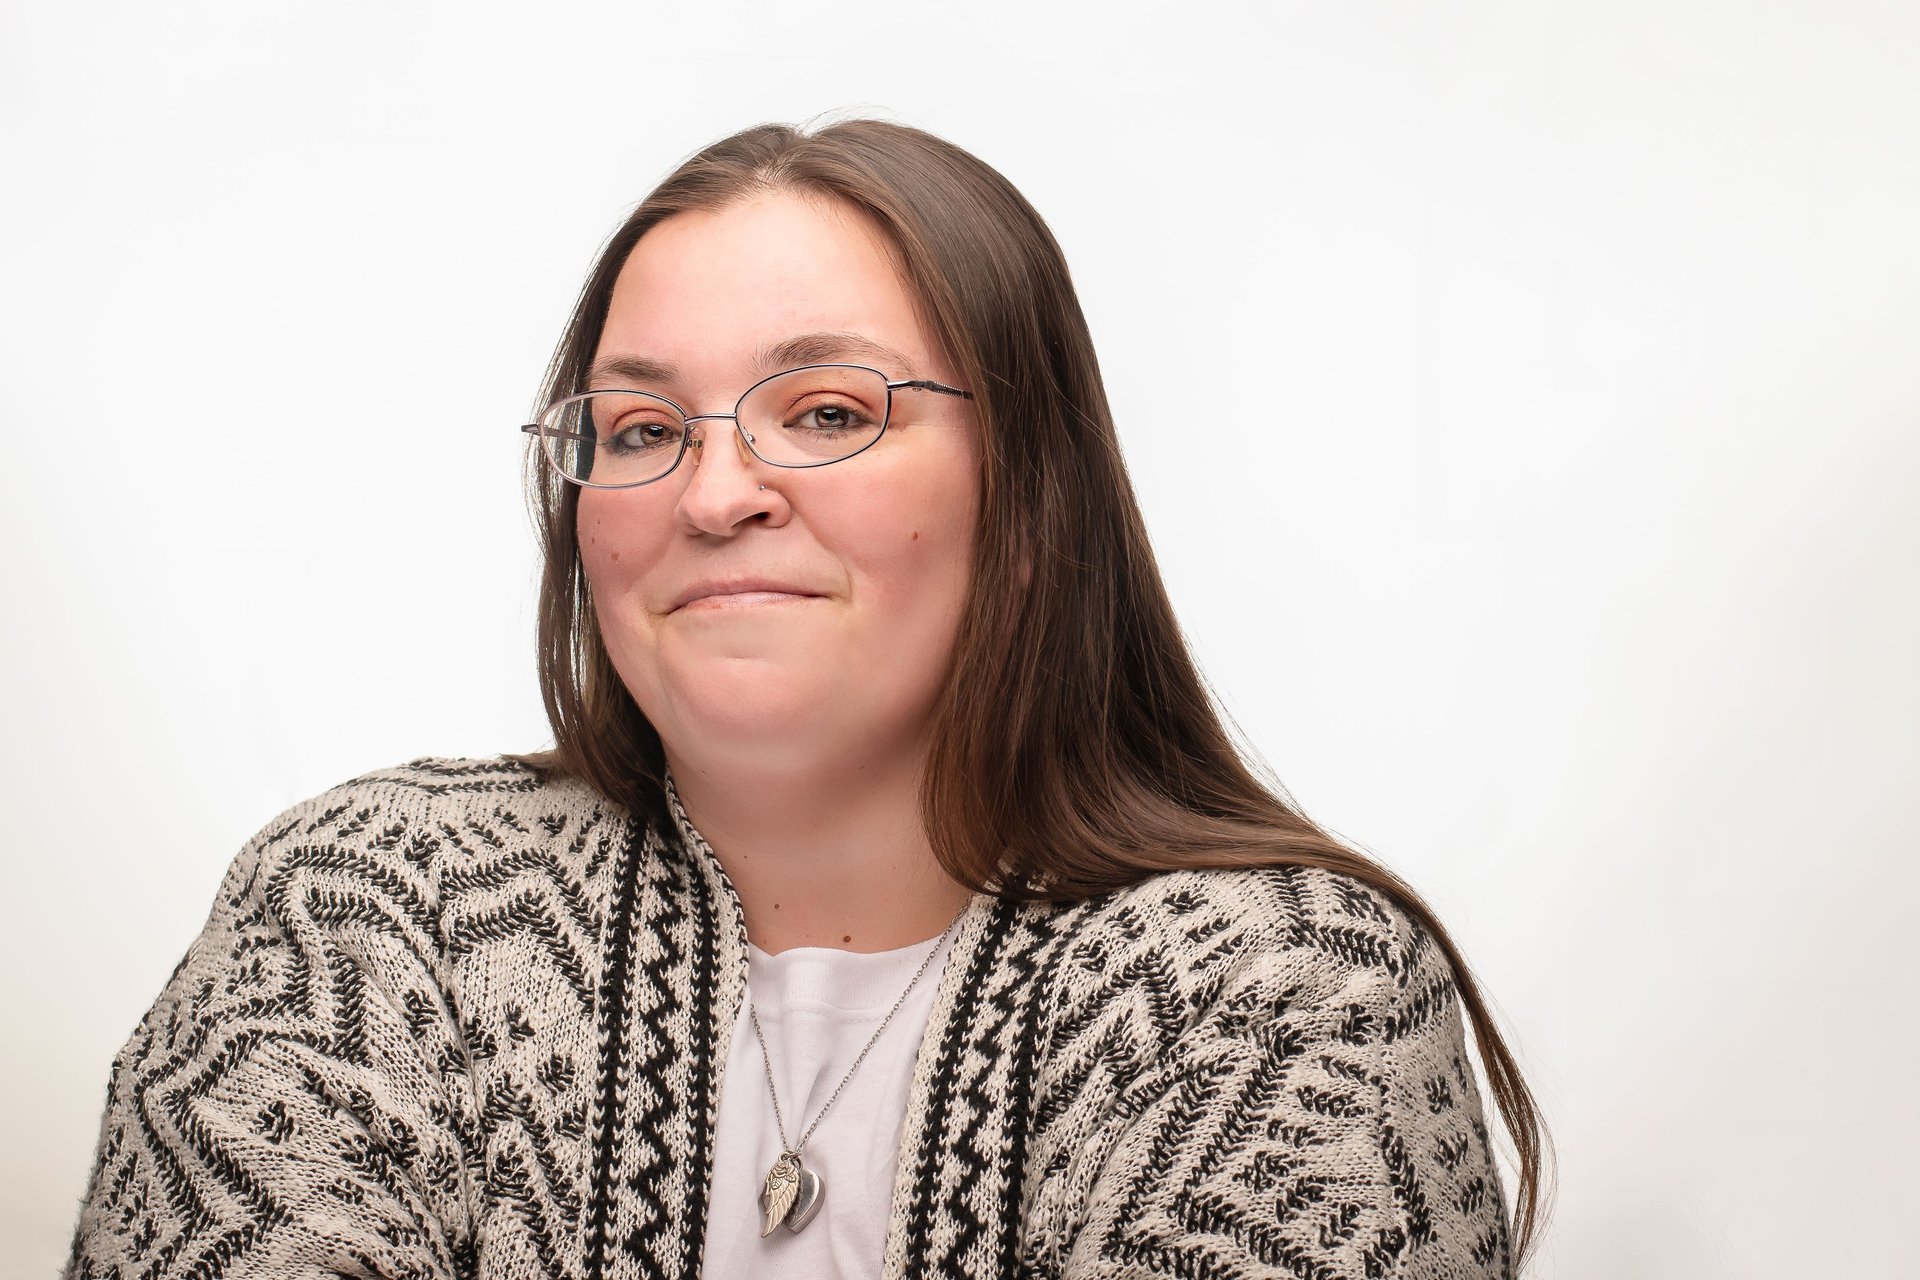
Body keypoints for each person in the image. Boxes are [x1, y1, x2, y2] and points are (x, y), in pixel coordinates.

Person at [66, 118, 1549, 1279]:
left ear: (1030, 500)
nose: (716, 492)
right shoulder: (365, 917)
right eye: (642, 427)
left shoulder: (1283, 998)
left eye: (828, 412)